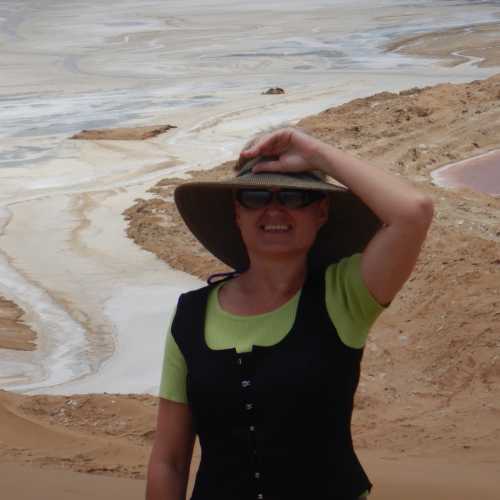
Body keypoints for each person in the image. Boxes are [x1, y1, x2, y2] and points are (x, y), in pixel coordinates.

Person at [146, 127, 434, 500]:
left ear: (321, 211)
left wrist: (313, 152)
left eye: (296, 196)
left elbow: (414, 212)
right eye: (255, 195)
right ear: (237, 212)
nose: (274, 210)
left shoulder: (344, 296)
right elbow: (168, 460)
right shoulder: (190, 315)